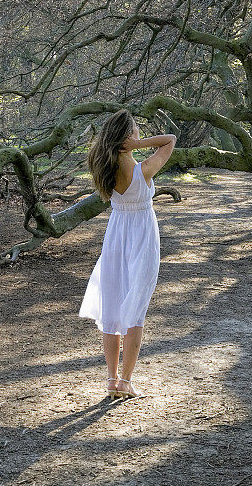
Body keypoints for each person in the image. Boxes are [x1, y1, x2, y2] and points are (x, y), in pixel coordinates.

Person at [78, 108, 176, 399]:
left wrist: (126, 145)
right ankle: (126, 381)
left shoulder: (105, 169)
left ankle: (111, 379)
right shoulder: (142, 169)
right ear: (129, 137)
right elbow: (169, 139)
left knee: (112, 309)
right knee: (135, 310)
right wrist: (138, 145)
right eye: (135, 131)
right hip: (142, 238)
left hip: (116, 237)